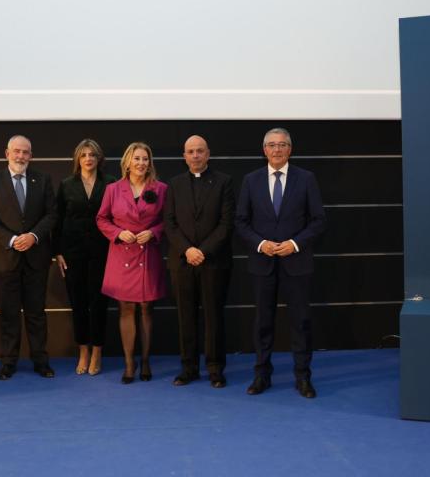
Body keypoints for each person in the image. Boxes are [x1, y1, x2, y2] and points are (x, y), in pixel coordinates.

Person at [235, 127, 326, 398]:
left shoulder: (306, 179)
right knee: (263, 321)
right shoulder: (251, 181)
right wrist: (261, 244)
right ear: (264, 150)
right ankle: (262, 375)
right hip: (263, 262)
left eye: (282, 145)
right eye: (272, 145)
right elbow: (241, 221)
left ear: (290, 149)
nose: (277, 150)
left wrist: (294, 244)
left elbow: (319, 220)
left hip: (296, 262)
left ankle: (303, 377)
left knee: (300, 322)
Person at [0, 135, 58, 380]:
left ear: (31, 156)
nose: (21, 156)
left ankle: (41, 361)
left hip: (36, 257)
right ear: (7, 153)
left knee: (37, 313)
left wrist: (33, 236)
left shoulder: (43, 180)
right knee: (8, 313)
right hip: (5, 258)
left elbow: (52, 214)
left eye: (26, 152)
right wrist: (14, 240)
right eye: (16, 151)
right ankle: (8, 362)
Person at [163, 135, 234, 388]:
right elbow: (169, 224)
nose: (195, 155)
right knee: (186, 317)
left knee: (214, 317)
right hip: (182, 262)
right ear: (184, 156)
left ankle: (215, 368)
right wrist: (188, 250)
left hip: (213, 261)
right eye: (190, 151)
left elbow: (226, 224)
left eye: (199, 151)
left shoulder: (224, 182)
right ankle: (188, 368)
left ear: (208, 154)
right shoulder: (174, 184)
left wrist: (202, 251)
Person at [96, 142, 168, 384]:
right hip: (121, 255)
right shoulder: (113, 189)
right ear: (127, 162)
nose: (141, 163)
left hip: (148, 254)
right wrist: (117, 233)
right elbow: (101, 219)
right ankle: (129, 363)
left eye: (145, 159)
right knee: (125, 308)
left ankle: (146, 360)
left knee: (147, 308)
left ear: (150, 163)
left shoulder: (161, 189)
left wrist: (154, 232)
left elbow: (170, 220)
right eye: (136, 158)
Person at [54, 139, 115, 376]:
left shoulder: (110, 184)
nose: (88, 159)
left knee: (99, 304)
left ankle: (98, 351)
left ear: (99, 159)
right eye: (83, 155)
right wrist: (57, 252)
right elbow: (58, 220)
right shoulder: (67, 184)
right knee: (78, 304)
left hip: (104, 252)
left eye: (92, 155)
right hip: (73, 253)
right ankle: (83, 351)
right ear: (77, 159)